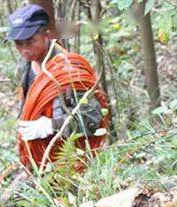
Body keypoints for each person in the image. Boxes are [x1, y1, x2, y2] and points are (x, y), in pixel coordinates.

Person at [7, 4, 109, 170]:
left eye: (30, 41)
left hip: (69, 163)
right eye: (18, 43)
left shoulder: (69, 71)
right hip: (37, 159)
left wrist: (51, 126)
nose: (24, 50)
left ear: (47, 36)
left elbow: (92, 120)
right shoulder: (24, 65)